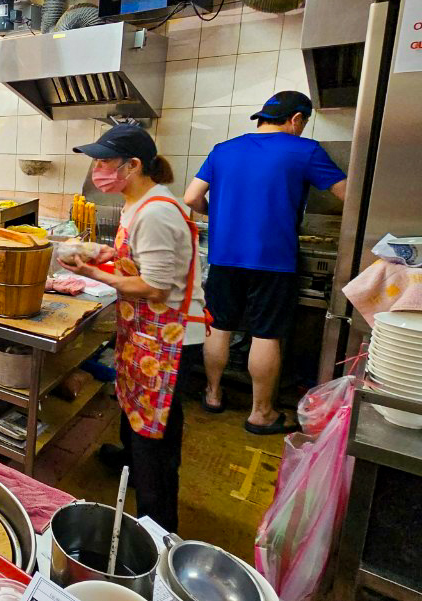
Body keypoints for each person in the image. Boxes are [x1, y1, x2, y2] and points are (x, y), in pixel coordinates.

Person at [59, 124, 205, 532]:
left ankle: (157, 530)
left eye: (105, 161)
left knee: (155, 441)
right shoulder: (138, 201)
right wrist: (109, 254)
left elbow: (155, 288)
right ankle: (130, 461)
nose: (97, 169)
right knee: (136, 416)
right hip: (146, 334)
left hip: (168, 338)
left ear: (134, 165)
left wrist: (90, 271)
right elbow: (142, 262)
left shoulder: (156, 211)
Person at [183, 91, 346, 435]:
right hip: (274, 260)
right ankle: (261, 413)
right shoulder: (305, 150)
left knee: (220, 325)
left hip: (225, 256)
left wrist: (221, 216)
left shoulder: (223, 149)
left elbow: (191, 197)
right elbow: (349, 194)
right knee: (266, 334)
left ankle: (213, 395)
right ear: (297, 119)